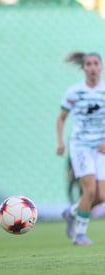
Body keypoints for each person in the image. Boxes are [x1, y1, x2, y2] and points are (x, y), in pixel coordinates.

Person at [56, 51, 105, 245]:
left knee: (102, 196)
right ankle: (80, 234)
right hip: (81, 146)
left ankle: (72, 212)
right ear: (83, 68)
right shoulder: (74, 91)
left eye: (96, 64)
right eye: (89, 64)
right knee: (90, 191)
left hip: (101, 148)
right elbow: (61, 118)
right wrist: (60, 142)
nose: (93, 68)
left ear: (101, 66)